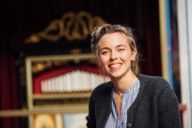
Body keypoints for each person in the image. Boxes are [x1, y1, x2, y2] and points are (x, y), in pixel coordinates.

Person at [86, 24, 182, 128]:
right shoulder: (97, 96)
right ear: (99, 59)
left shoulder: (158, 89)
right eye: (105, 52)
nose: (113, 56)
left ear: (133, 53)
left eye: (120, 49)